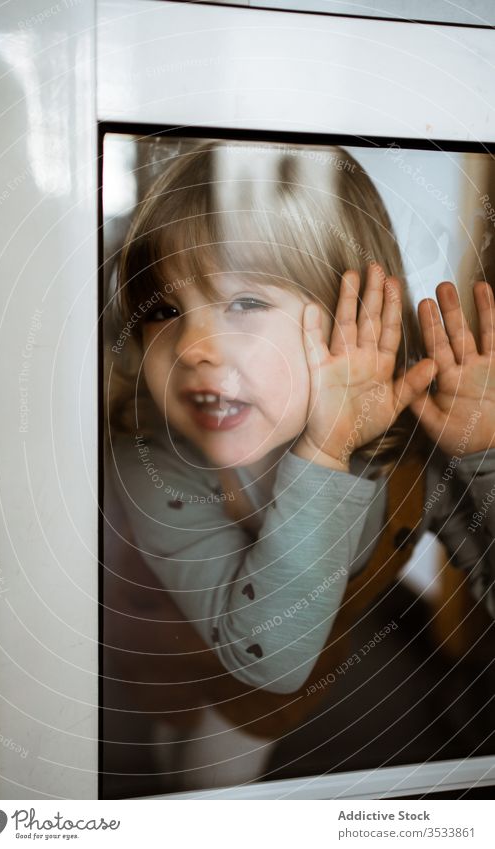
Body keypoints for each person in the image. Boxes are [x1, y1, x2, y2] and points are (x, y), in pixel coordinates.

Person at [107, 141, 495, 791]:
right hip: (202, 661)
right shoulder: (151, 465)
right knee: (202, 775)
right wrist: (323, 452)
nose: (196, 348)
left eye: (246, 303)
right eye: (164, 310)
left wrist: (482, 454)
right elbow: (267, 662)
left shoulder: (410, 453)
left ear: (363, 318)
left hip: (324, 644)